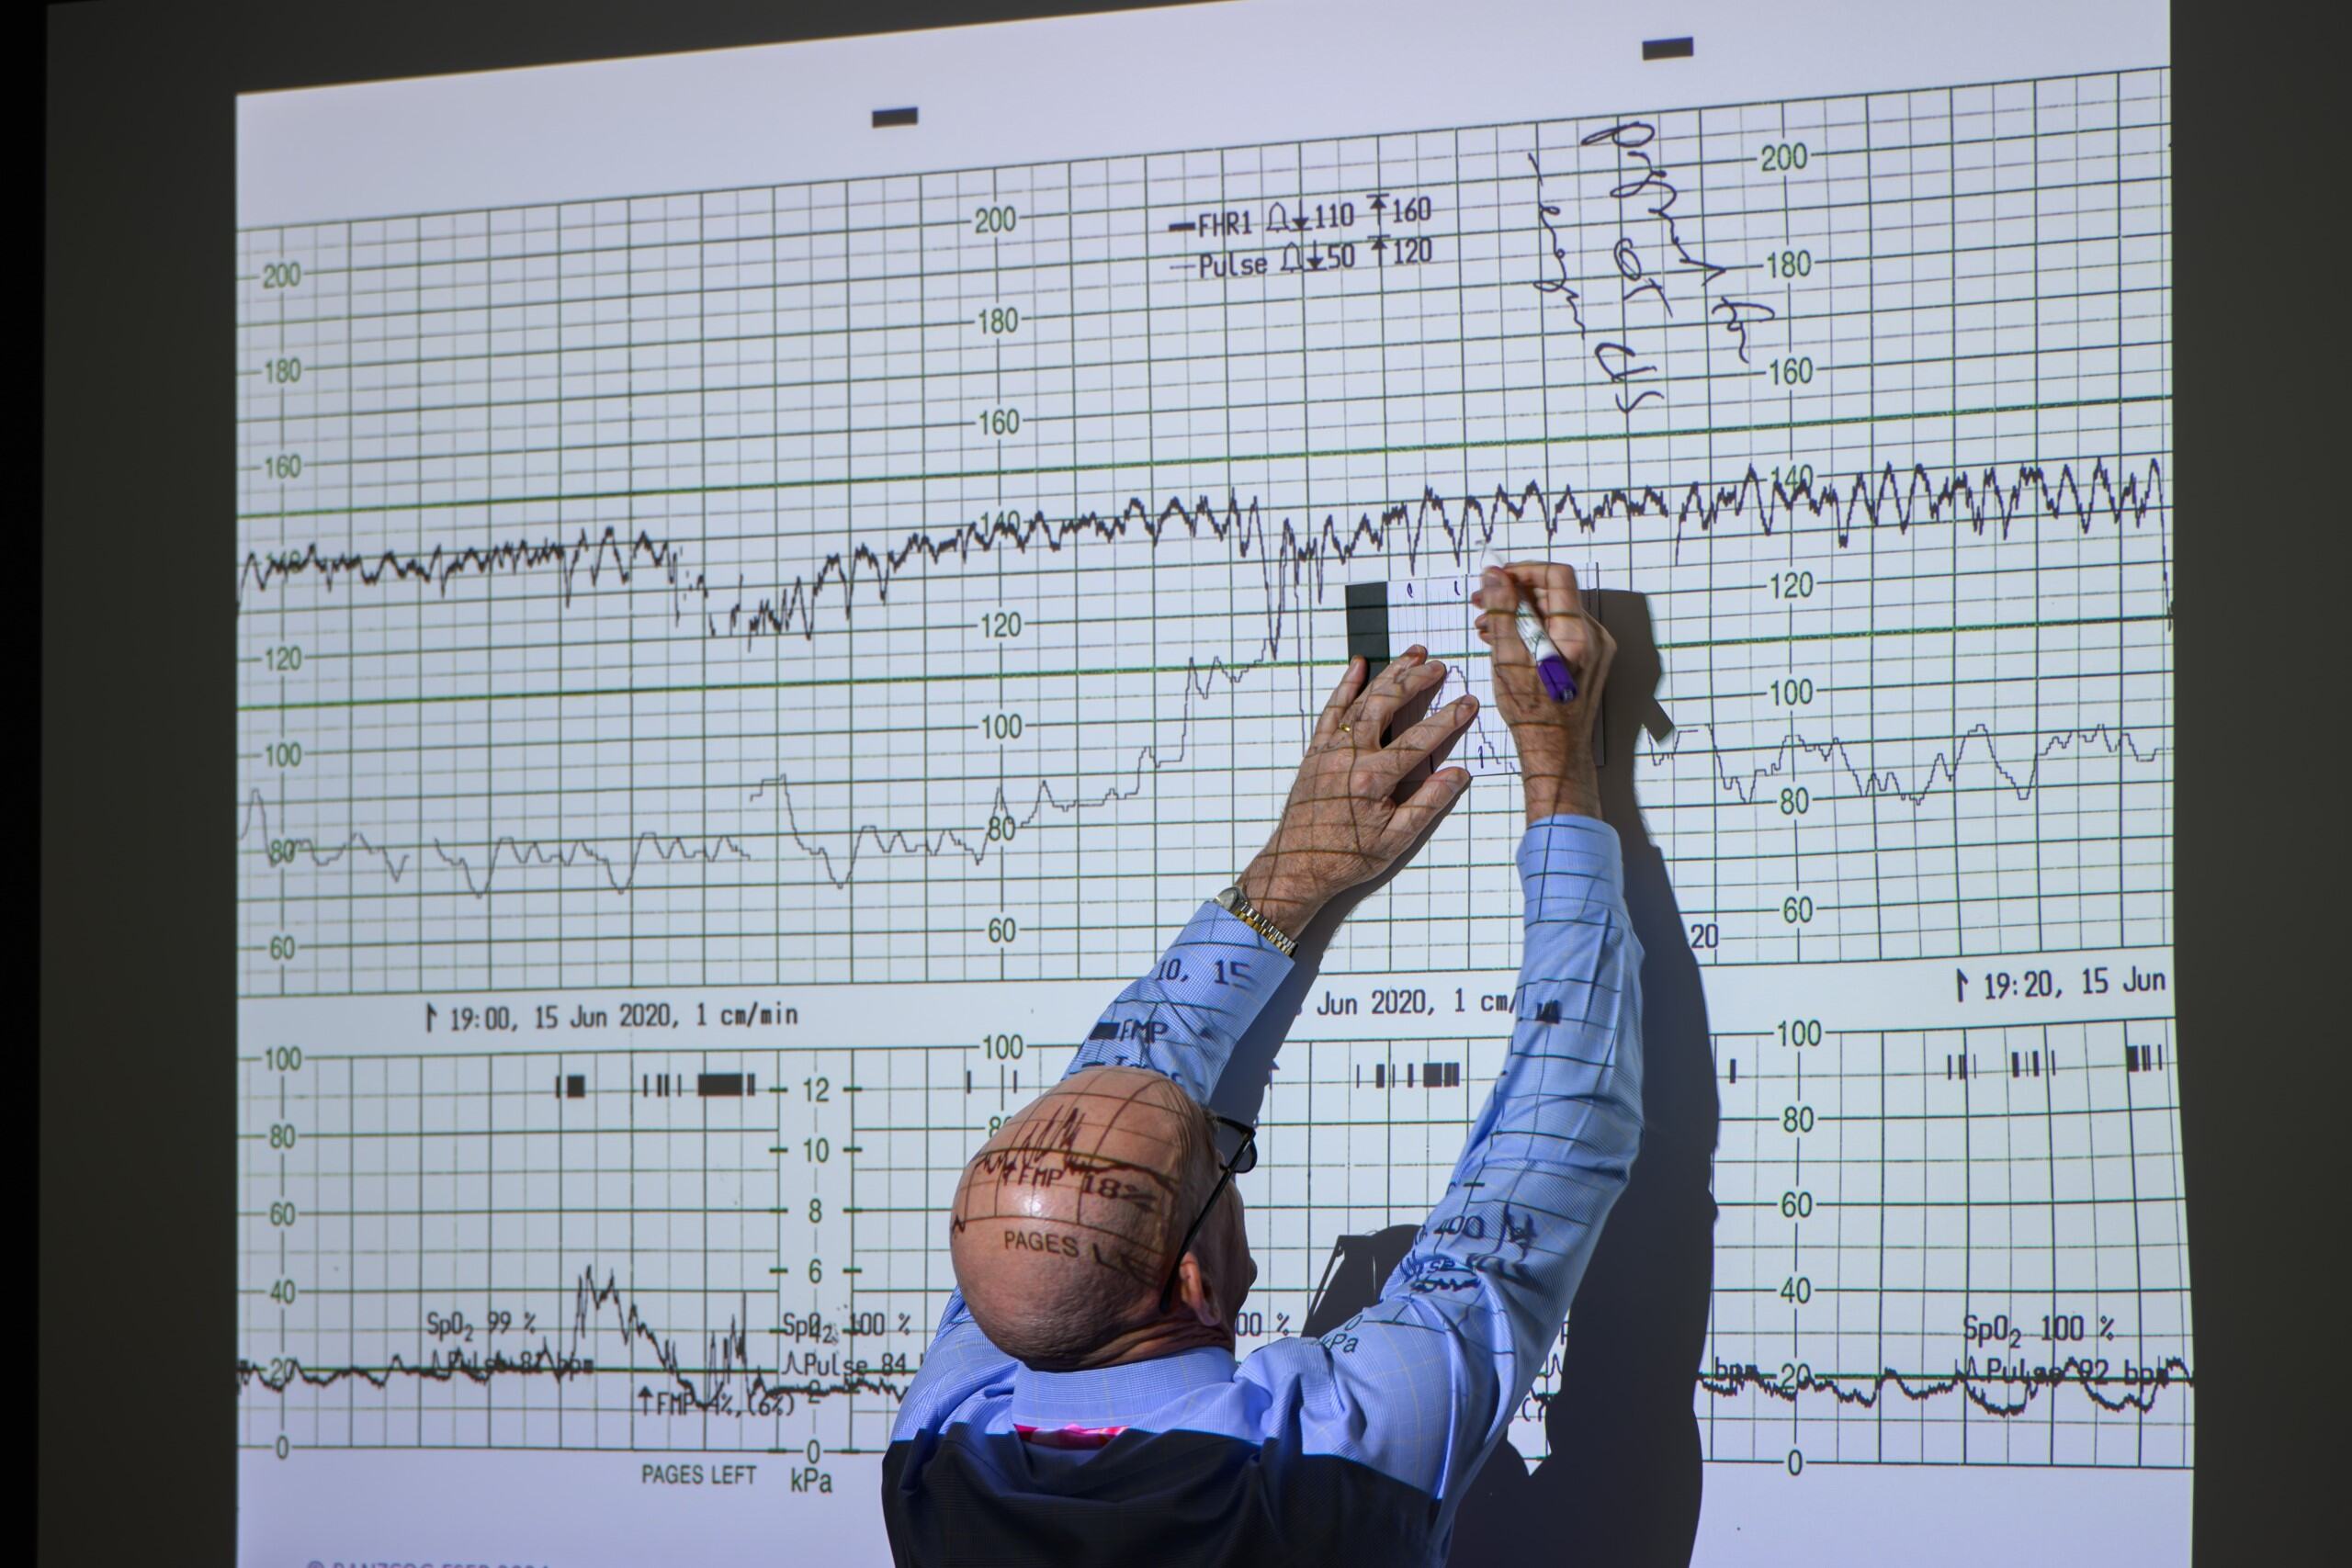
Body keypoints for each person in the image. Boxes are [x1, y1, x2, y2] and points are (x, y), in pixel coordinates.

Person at [881, 561, 1645, 1565]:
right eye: (1221, 1150)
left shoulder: (936, 1455)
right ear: (1194, 1280)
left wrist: (1294, 869)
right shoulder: (1326, 1461)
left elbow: (1087, 1158)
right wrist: (1560, 764)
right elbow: (1552, 1153)